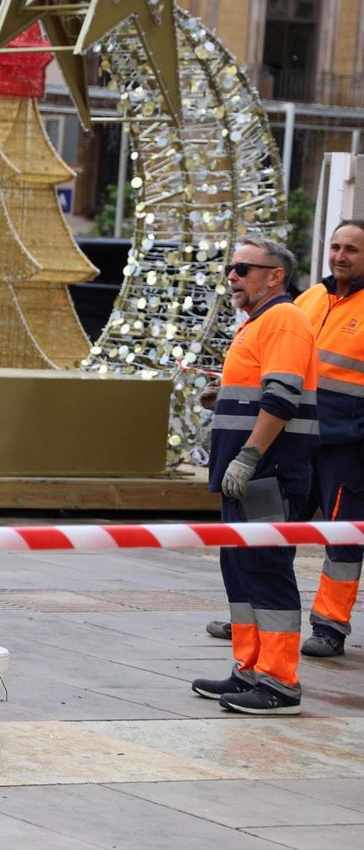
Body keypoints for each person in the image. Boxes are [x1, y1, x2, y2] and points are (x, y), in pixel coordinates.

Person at [191, 238, 318, 715]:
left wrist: (248, 457)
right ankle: (249, 670)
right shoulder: (258, 323)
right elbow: (263, 389)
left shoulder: (283, 318)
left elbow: (282, 398)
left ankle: (280, 683)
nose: (232, 277)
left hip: (268, 473)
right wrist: (225, 395)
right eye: (231, 268)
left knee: (264, 568)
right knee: (241, 569)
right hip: (250, 473)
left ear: (275, 276)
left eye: (243, 268)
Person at [292, 221, 364, 659]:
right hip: (296, 439)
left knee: (342, 538)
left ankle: (330, 627)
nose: (340, 255)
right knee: (274, 529)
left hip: (347, 446)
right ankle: (260, 613)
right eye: (336, 246)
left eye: (352, 249)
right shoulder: (311, 298)